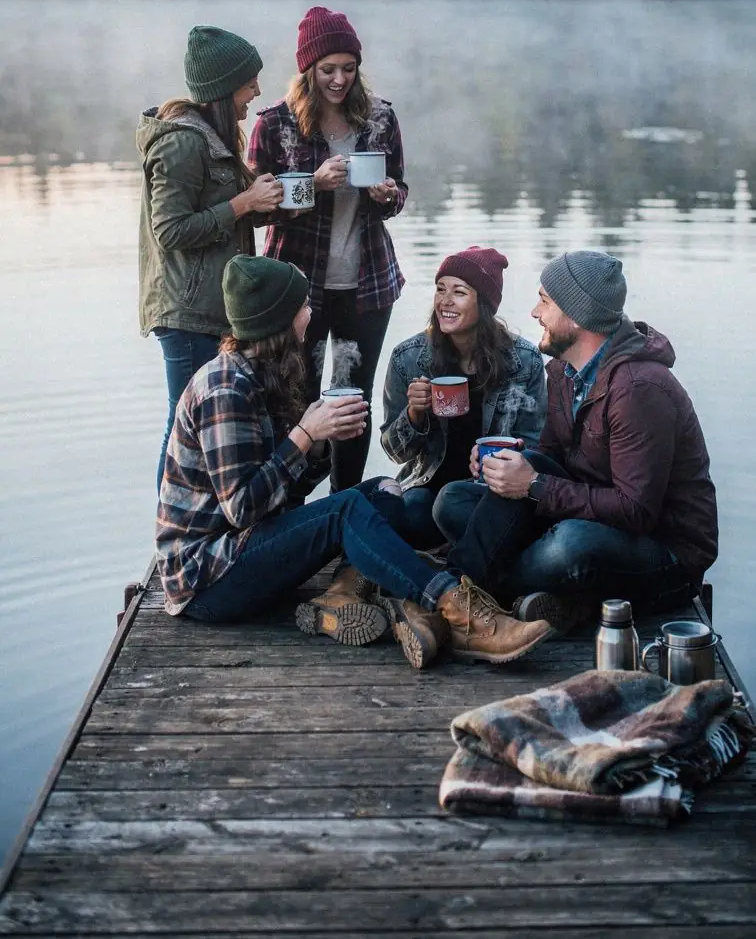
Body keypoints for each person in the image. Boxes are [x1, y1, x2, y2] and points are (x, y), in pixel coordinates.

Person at [156, 255, 553, 668]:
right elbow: (242, 509)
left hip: (244, 551)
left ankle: (344, 593)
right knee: (347, 508)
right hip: (208, 579)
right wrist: (304, 434)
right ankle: (457, 611)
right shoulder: (225, 389)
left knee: (383, 491)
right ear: (279, 319)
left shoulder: (260, 375)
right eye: (303, 306)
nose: (311, 314)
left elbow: (282, 493)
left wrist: (319, 445)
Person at [433, 250, 718, 629]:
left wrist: (533, 485)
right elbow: (550, 456)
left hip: (665, 553)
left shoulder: (639, 388)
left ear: (577, 316)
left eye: (545, 301)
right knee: (453, 501)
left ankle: (458, 590)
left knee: (568, 545)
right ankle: (535, 594)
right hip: (590, 514)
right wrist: (509, 465)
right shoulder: (564, 369)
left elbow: (637, 510)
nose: (534, 313)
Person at [248, 5, 407, 492]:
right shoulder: (274, 124)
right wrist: (311, 185)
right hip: (298, 289)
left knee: (352, 402)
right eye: (328, 70)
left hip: (368, 284)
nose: (340, 80)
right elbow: (255, 209)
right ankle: (290, 511)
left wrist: (388, 195)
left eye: (349, 68)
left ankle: (345, 506)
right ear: (308, 70)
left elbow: (400, 188)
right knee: (296, 402)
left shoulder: (380, 117)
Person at [138, 25, 283, 492]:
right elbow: (170, 230)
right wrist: (243, 203)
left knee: (205, 421)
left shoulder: (216, 136)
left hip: (211, 307)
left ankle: (207, 517)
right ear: (224, 88)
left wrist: (271, 203)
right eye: (249, 83)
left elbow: (224, 215)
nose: (256, 92)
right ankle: (172, 523)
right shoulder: (182, 142)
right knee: (184, 423)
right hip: (186, 312)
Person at [380, 246, 545, 549]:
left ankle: (456, 553)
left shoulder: (523, 360)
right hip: (428, 489)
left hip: (490, 492)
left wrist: (505, 458)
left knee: (468, 508)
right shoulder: (408, 358)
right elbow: (394, 453)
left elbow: (537, 445)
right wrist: (414, 414)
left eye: (459, 292)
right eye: (440, 289)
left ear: (483, 303)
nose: (445, 301)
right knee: (407, 511)